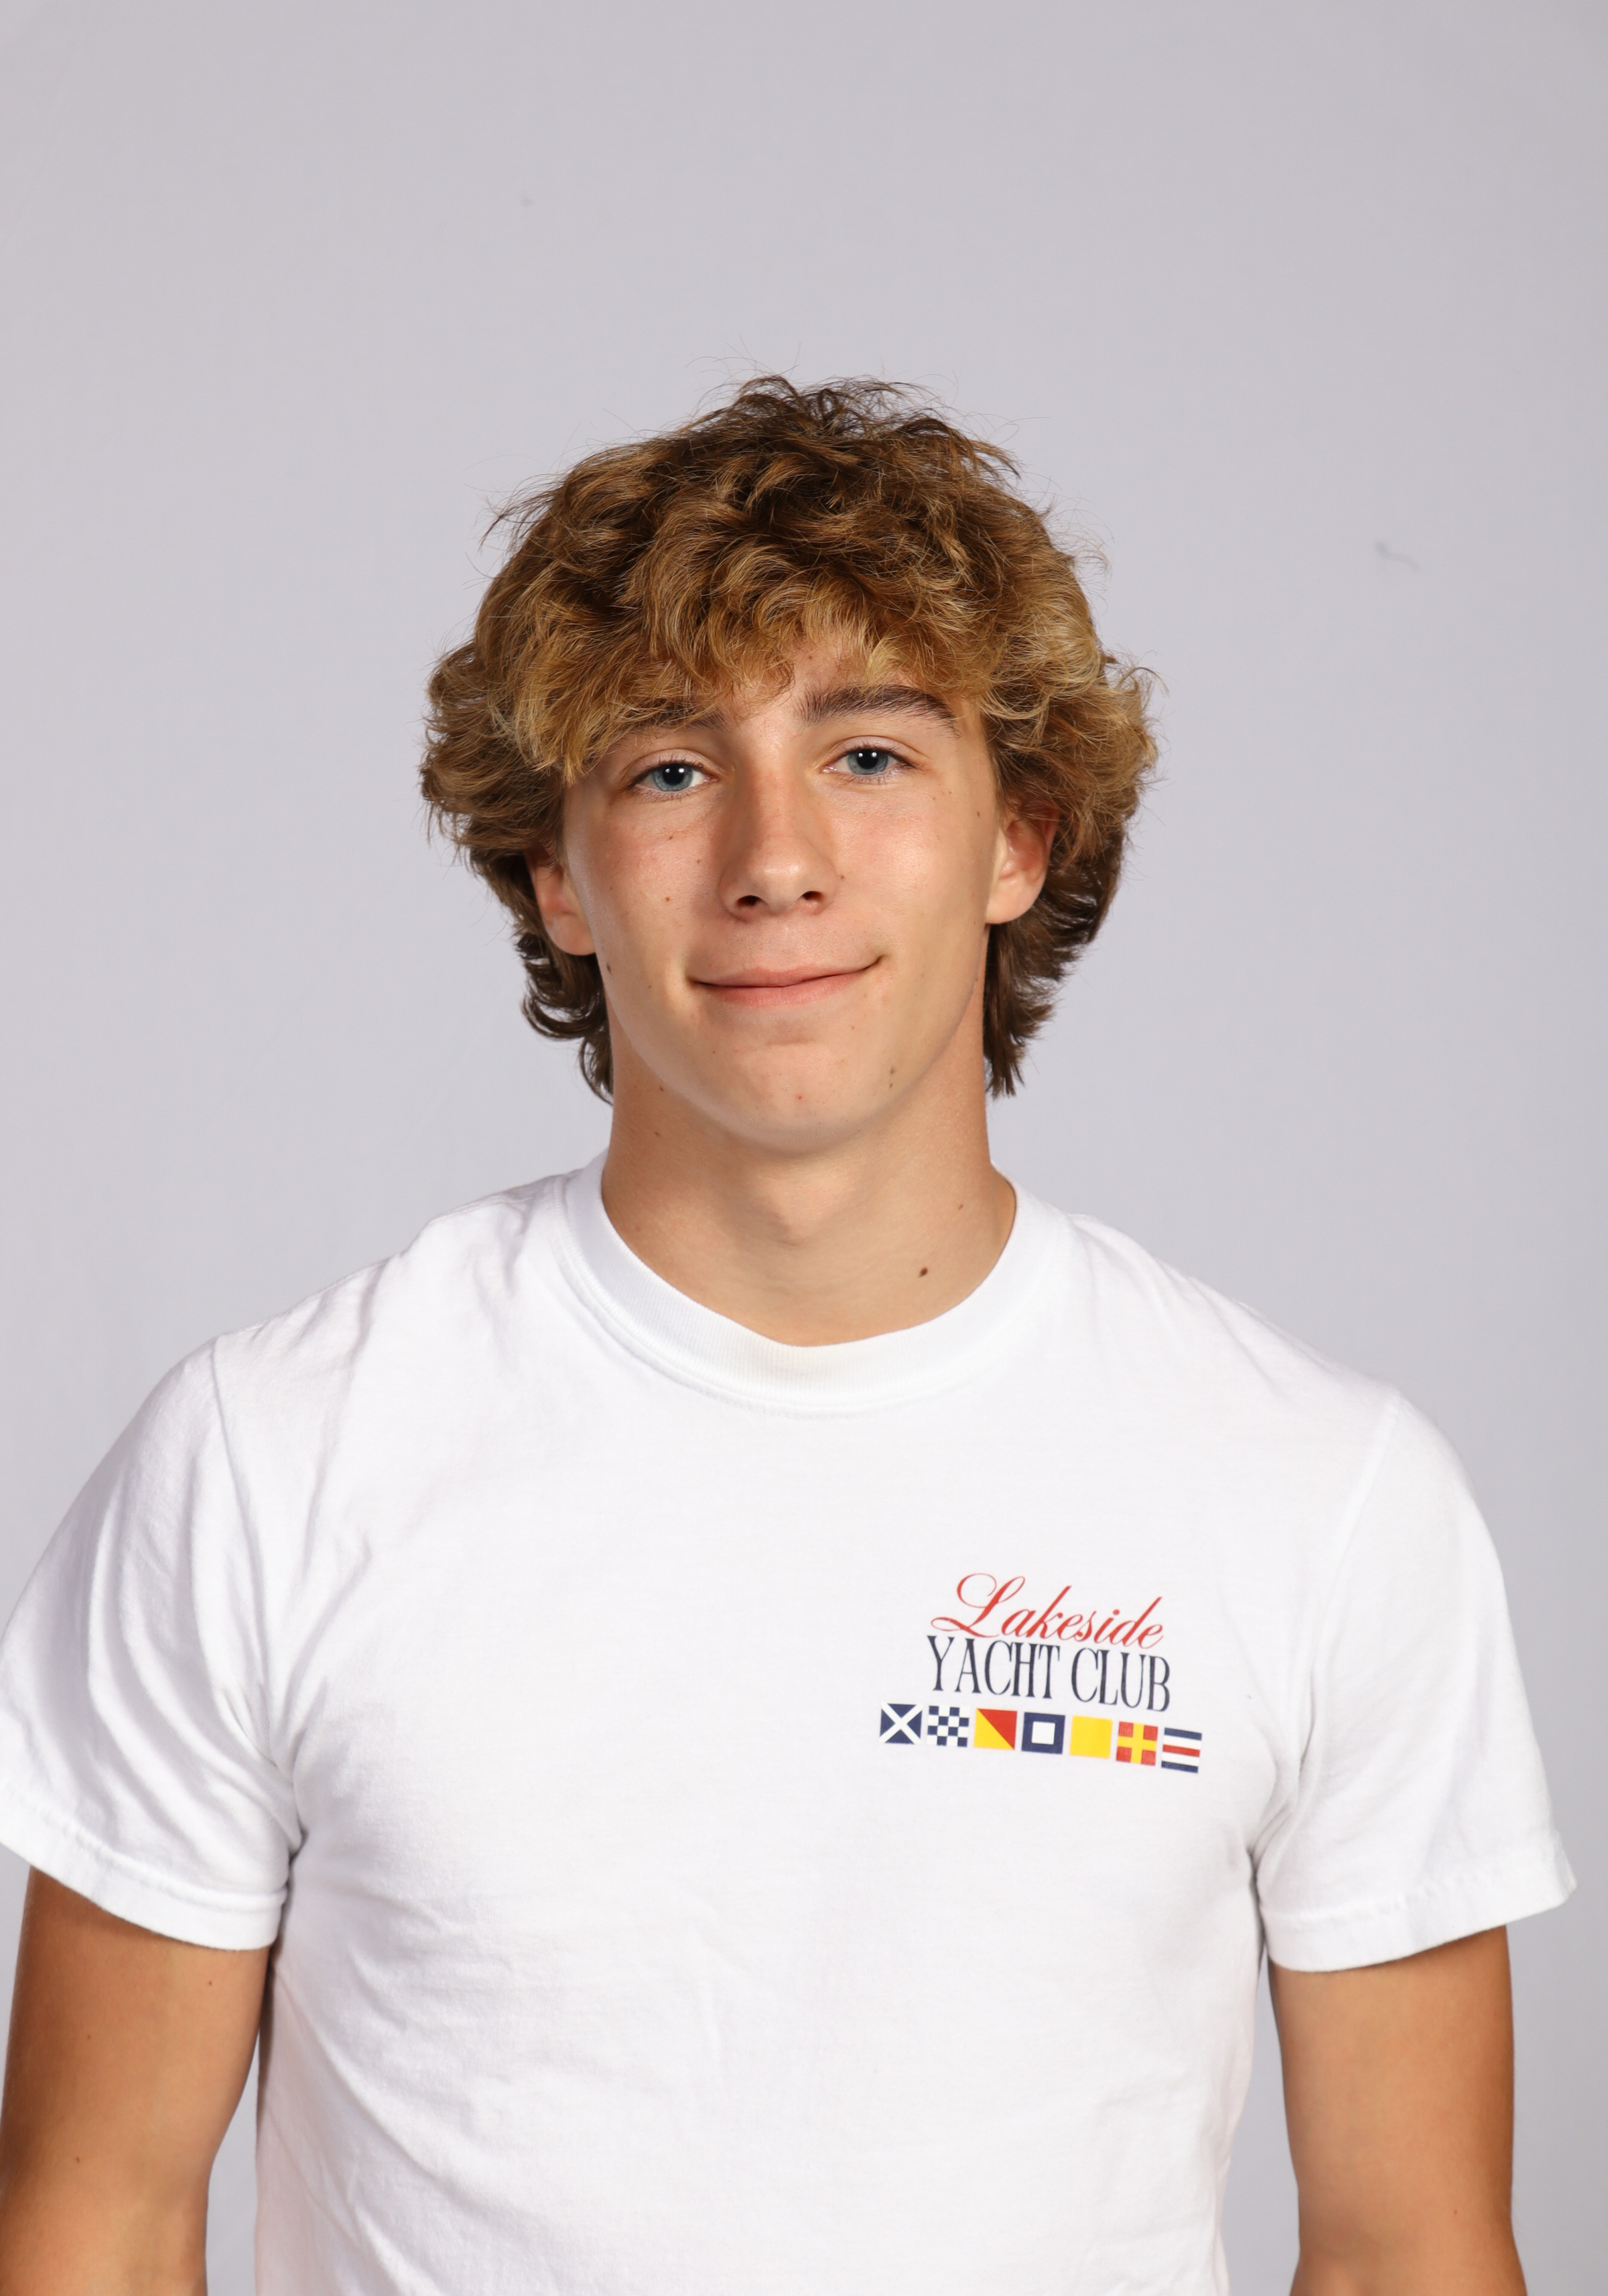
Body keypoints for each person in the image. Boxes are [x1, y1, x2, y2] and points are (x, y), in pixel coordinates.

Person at [0, 378, 1570, 2296]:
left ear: (1021, 839)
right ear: (556, 877)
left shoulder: (1324, 1495)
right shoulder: (270, 1461)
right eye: (670, 769)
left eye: (872, 754)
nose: (774, 857)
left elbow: (1414, 2254)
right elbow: (90, 2224)